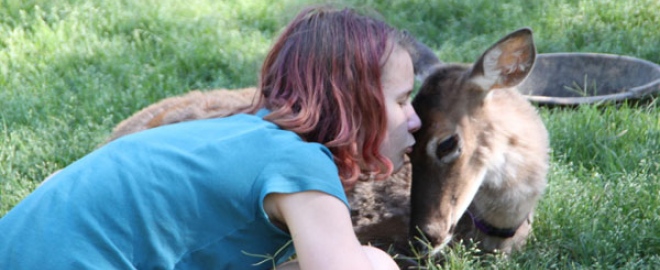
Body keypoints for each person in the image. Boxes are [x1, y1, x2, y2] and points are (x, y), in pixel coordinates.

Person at [0, 5, 421, 270]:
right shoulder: (300, 163)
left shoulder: (235, 135)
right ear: (353, 103)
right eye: (403, 100)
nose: (415, 119)